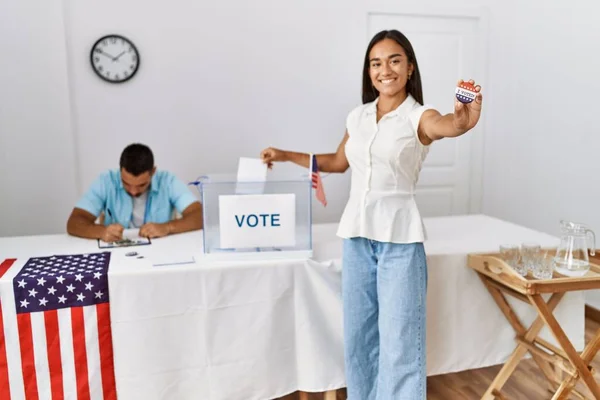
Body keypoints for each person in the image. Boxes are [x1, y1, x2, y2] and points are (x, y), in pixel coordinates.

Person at [260, 30, 483, 399]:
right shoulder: (358, 117)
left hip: (400, 242)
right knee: (359, 340)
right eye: (375, 63)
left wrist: (463, 120)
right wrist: (285, 155)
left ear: (409, 67)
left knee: (400, 343)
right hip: (357, 238)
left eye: (394, 60)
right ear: (369, 71)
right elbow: (336, 162)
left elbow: (447, 125)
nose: (385, 70)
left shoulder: (418, 117)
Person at [67, 143, 202, 242]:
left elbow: (200, 215)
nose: (133, 191)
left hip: (160, 251)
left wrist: (167, 227)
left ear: (153, 172)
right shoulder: (106, 180)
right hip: (116, 253)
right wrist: (102, 231)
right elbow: (74, 222)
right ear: (120, 171)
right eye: (126, 183)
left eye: (141, 185)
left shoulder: (168, 181)